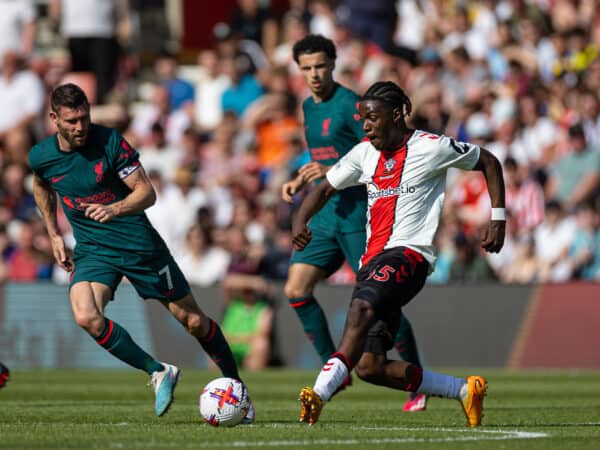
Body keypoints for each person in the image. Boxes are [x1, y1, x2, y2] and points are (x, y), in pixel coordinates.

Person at [28, 83, 254, 421]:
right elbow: (41, 185)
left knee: (192, 320)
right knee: (86, 316)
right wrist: (54, 234)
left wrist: (115, 209)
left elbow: (146, 194)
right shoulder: (42, 156)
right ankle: (158, 370)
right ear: (54, 119)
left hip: (139, 246)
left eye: (84, 118)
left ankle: (237, 390)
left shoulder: (110, 142)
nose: (79, 127)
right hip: (94, 250)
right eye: (71, 121)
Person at [292, 81, 506, 426]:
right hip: (372, 261)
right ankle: (465, 391)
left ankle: (318, 395)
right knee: (370, 367)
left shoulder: (431, 147)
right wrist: (300, 219)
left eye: (372, 118)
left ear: (396, 115)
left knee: (361, 310)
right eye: (363, 119)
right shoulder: (364, 153)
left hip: (409, 255)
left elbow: (490, 162)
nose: (365, 126)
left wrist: (498, 219)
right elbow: (326, 188)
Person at [281, 34, 426, 411]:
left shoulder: (351, 105)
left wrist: (328, 169)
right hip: (326, 214)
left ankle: (418, 381)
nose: (314, 75)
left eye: (320, 66)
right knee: (295, 289)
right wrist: (302, 179)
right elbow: (321, 159)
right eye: (306, 68)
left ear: (333, 63)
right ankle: (336, 369)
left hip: (359, 216)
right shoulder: (308, 107)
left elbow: (379, 159)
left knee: (380, 303)